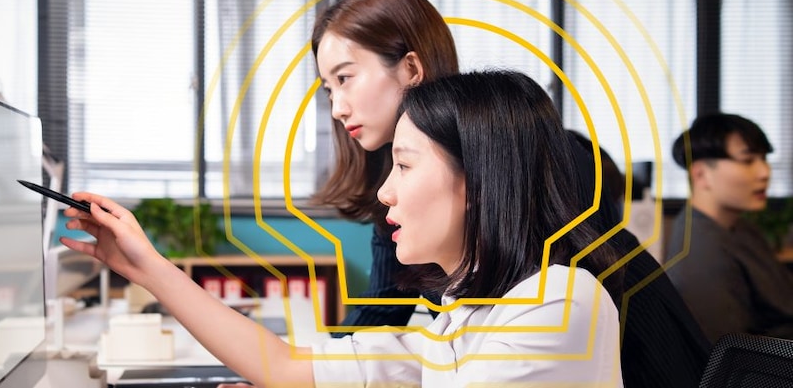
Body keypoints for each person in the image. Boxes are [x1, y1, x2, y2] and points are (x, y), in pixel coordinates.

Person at [62, 70, 623, 386]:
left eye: (404, 165)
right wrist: (148, 267)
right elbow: (283, 366)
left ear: (478, 179)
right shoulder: (455, 312)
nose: (385, 192)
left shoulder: (558, 302)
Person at [309, 0, 710, 388]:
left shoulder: (523, 155)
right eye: (328, 89)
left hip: (632, 355)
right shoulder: (398, 190)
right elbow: (383, 307)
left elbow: (578, 285)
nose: (338, 107)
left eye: (345, 79)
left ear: (411, 69)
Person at [667, 113, 793, 343]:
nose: (765, 172)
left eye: (764, 159)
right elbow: (730, 357)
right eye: (748, 161)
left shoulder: (738, 226)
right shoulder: (702, 253)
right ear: (701, 174)